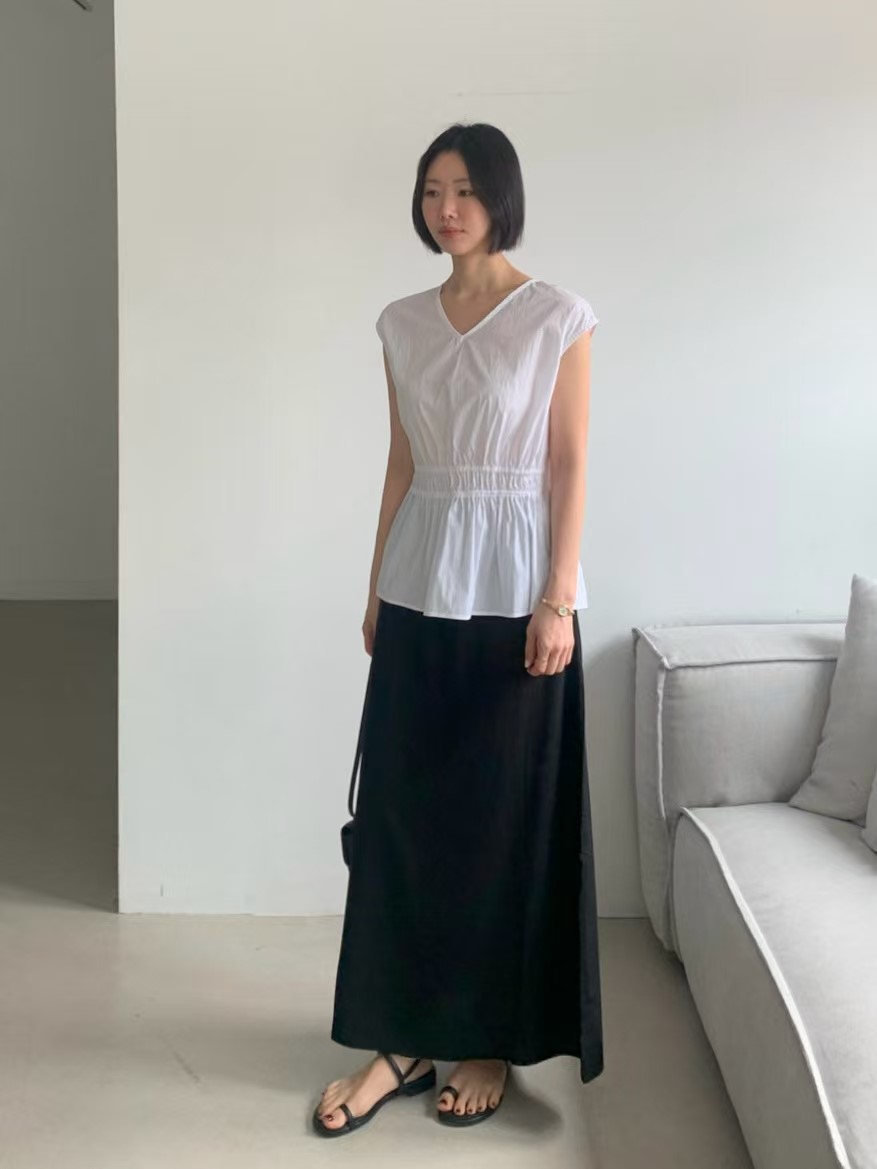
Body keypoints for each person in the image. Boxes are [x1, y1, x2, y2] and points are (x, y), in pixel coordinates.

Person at [313, 121, 603, 1138]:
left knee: (498, 824)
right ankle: (399, 1039)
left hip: (518, 594)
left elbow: (567, 462)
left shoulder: (557, 316)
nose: (448, 207)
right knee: (405, 820)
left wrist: (558, 596)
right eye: (434, 188)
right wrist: (373, 590)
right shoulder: (400, 322)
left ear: (500, 197)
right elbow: (401, 462)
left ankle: (486, 1035)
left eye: (467, 189)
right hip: (417, 586)